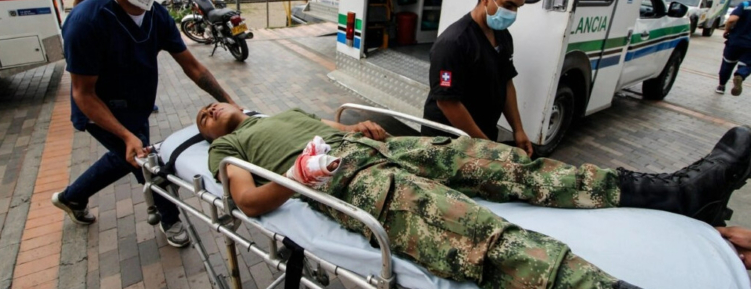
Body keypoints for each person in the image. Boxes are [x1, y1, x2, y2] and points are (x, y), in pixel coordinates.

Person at [200, 102, 751, 289]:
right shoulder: (225, 152)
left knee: (502, 163)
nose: (208, 113)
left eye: (211, 107)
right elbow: (247, 202)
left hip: (377, 150)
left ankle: (677, 194)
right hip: (335, 178)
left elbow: (335, 124)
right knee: (461, 227)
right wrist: (298, 173)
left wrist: (365, 129)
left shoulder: (279, 114)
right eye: (202, 117)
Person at [52, 0, 237, 248]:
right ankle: (171, 219)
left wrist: (231, 104)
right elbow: (83, 93)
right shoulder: (87, 22)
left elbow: (193, 67)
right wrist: (126, 135)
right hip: (101, 111)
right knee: (150, 165)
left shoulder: (157, 16)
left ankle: (71, 197)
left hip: (137, 106)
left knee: (126, 159)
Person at [423, 0, 533, 155]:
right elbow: (447, 102)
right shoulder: (453, 43)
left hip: (483, 136)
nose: (513, 13)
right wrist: (485, 146)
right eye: (508, 5)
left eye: (517, 7)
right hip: (448, 144)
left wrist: (518, 130)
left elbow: (506, 82)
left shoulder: (503, 37)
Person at [717, 0, 751, 96]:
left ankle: (721, 86)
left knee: (727, 64)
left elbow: (732, 19)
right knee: (747, 64)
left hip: (735, 41)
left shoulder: (745, 5)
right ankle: (740, 75)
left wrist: (727, 29)